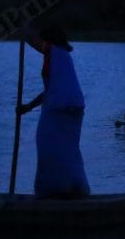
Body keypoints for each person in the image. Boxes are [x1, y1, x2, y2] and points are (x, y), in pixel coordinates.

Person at [17, 22, 90, 198]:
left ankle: (54, 190)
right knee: (67, 148)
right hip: (72, 106)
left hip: (60, 107)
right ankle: (71, 188)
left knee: (48, 144)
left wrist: (23, 29)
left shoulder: (54, 51)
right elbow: (50, 90)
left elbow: (35, 42)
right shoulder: (62, 57)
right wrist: (27, 107)